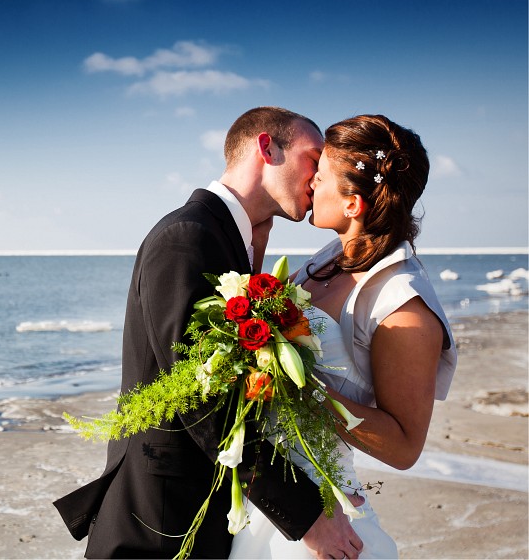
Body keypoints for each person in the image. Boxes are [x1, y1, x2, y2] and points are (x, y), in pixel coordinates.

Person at [54, 107, 365, 559]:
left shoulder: (229, 237)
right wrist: (306, 514)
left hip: (205, 506)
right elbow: (202, 400)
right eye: (312, 157)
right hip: (161, 517)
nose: (319, 176)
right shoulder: (188, 236)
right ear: (266, 148)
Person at [228, 114, 458, 559]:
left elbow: (405, 446)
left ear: (353, 204)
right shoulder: (333, 255)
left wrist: (302, 394)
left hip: (321, 502)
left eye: (322, 172)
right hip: (271, 486)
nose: (309, 181)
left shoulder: (404, 307)